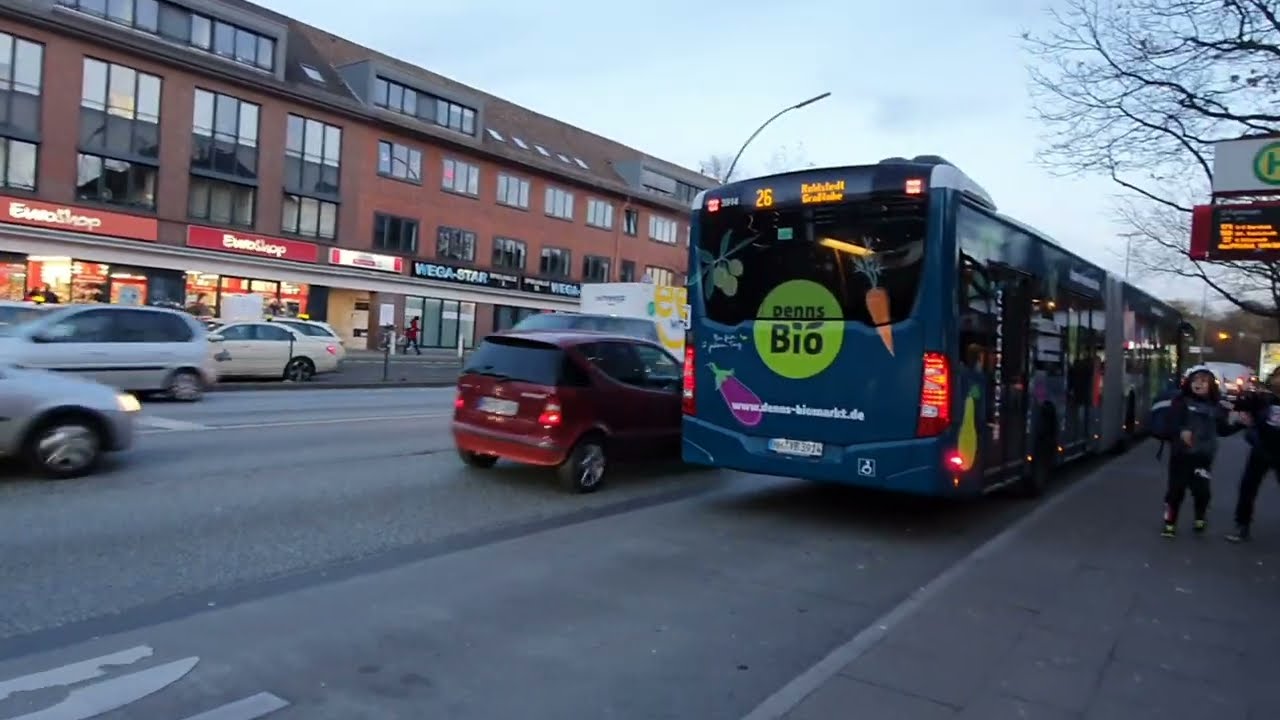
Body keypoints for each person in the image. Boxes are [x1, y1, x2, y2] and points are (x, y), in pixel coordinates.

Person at [1162, 365, 1242, 538]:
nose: (1199, 384)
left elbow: (1222, 430)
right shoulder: (1180, 401)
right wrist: (1181, 430)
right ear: (1189, 382)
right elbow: (1171, 423)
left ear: (1211, 385)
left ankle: (1200, 518)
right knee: (1175, 490)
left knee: (1201, 491)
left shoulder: (1217, 406)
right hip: (1180, 455)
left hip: (1203, 456)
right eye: (1195, 380)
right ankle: (1170, 523)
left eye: (1204, 381)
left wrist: (1240, 424)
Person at [1225, 366, 1280, 542]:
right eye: (1277, 377)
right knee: (1248, 487)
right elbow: (1241, 403)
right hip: (1262, 448)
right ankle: (1242, 526)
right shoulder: (1263, 398)